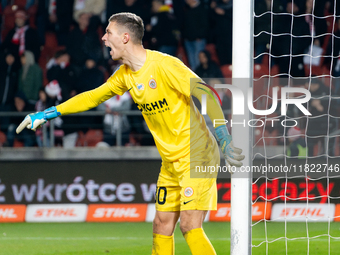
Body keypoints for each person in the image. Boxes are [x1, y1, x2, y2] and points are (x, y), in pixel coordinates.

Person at [16, 12, 244, 255]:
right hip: (171, 160)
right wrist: (48, 113)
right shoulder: (125, 75)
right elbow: (94, 96)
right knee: (161, 225)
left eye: (108, 33)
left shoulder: (165, 65)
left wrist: (223, 136)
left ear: (125, 38)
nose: (103, 38)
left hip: (198, 152)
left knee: (189, 225)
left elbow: (206, 93)